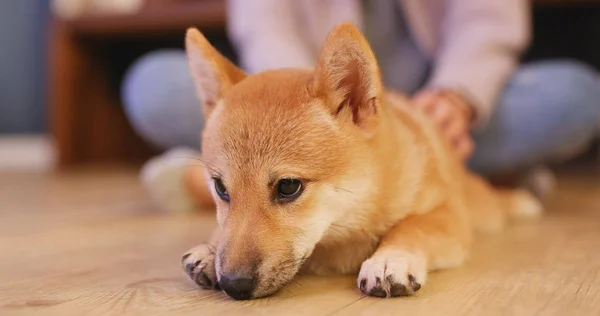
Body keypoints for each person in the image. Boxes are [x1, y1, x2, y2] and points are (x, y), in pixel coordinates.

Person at [122, 0, 600, 188]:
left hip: (430, 111)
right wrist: (305, 112)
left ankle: (230, 184)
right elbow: (263, 25)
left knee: (577, 97)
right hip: (315, 113)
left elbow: (487, 21)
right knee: (155, 86)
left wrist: (458, 96)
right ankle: (484, 179)